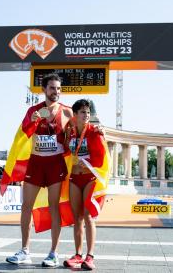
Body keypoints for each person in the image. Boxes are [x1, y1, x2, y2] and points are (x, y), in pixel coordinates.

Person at [3, 73, 73, 267]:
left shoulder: (67, 112)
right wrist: (32, 121)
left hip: (55, 165)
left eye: (58, 88)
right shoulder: (33, 110)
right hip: (35, 163)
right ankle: (25, 250)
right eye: (52, 88)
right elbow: (22, 136)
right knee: (27, 206)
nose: (56, 92)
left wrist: (96, 130)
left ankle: (53, 253)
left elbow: (79, 132)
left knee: (53, 207)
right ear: (44, 90)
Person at [63, 99, 109, 270]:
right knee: (77, 218)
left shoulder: (94, 132)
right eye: (82, 112)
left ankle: (90, 256)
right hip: (74, 178)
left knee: (88, 217)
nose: (86, 115)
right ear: (75, 115)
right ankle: (77, 254)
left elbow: (101, 157)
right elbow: (67, 152)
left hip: (90, 178)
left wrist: (87, 162)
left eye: (88, 112)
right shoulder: (71, 132)